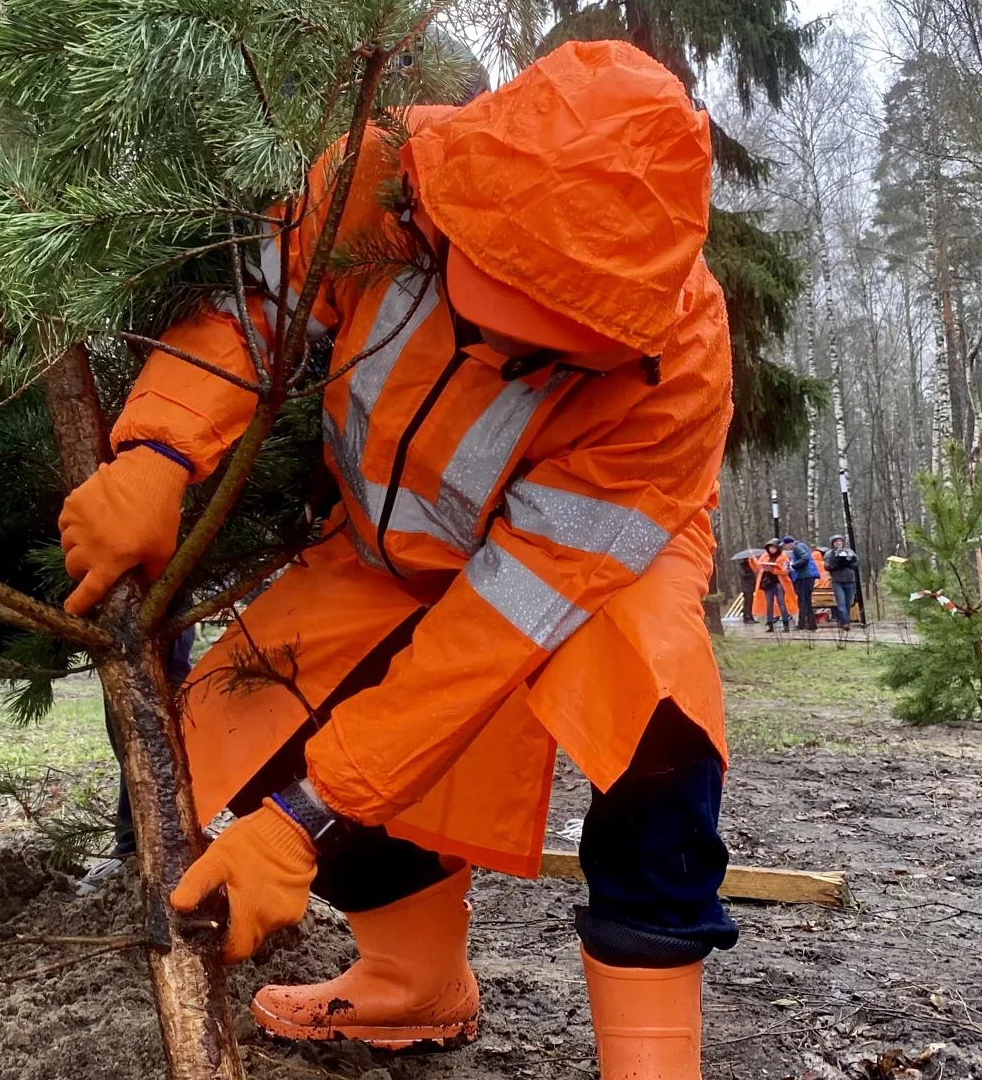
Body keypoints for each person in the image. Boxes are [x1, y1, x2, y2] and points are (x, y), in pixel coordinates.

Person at [57, 42, 736, 1078]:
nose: (510, 359)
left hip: (588, 573)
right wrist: (158, 448)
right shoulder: (373, 182)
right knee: (247, 719)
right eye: (493, 315)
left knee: (653, 726)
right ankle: (412, 978)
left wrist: (311, 816)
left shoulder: (673, 370)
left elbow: (506, 619)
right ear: (438, 218)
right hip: (383, 549)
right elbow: (255, 309)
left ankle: (654, 1060)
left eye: (554, 350)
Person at [823, 534, 859, 629]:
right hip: (837, 581)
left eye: (840, 541)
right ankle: (846, 623)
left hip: (849, 580)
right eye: (836, 542)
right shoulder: (829, 553)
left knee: (848, 603)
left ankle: (842, 620)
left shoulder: (849, 552)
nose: (838, 543)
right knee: (841, 602)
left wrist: (848, 562)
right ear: (832, 543)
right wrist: (835, 563)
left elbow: (856, 563)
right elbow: (826, 566)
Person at [784, 535, 819, 630]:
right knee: (806, 601)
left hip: (804, 577)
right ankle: (810, 624)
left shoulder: (798, 548)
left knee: (803, 600)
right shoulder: (801, 546)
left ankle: (803, 623)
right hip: (807, 576)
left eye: (785, 545)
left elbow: (805, 558)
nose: (785, 548)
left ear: (790, 543)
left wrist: (793, 566)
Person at [757, 539, 792, 632]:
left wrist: (774, 570)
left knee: (781, 603)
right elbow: (758, 566)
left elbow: (786, 571)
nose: (772, 550)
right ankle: (770, 624)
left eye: (774, 548)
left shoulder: (784, 557)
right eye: (770, 548)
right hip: (767, 583)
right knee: (769, 604)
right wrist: (764, 568)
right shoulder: (764, 556)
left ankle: (786, 624)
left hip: (779, 583)